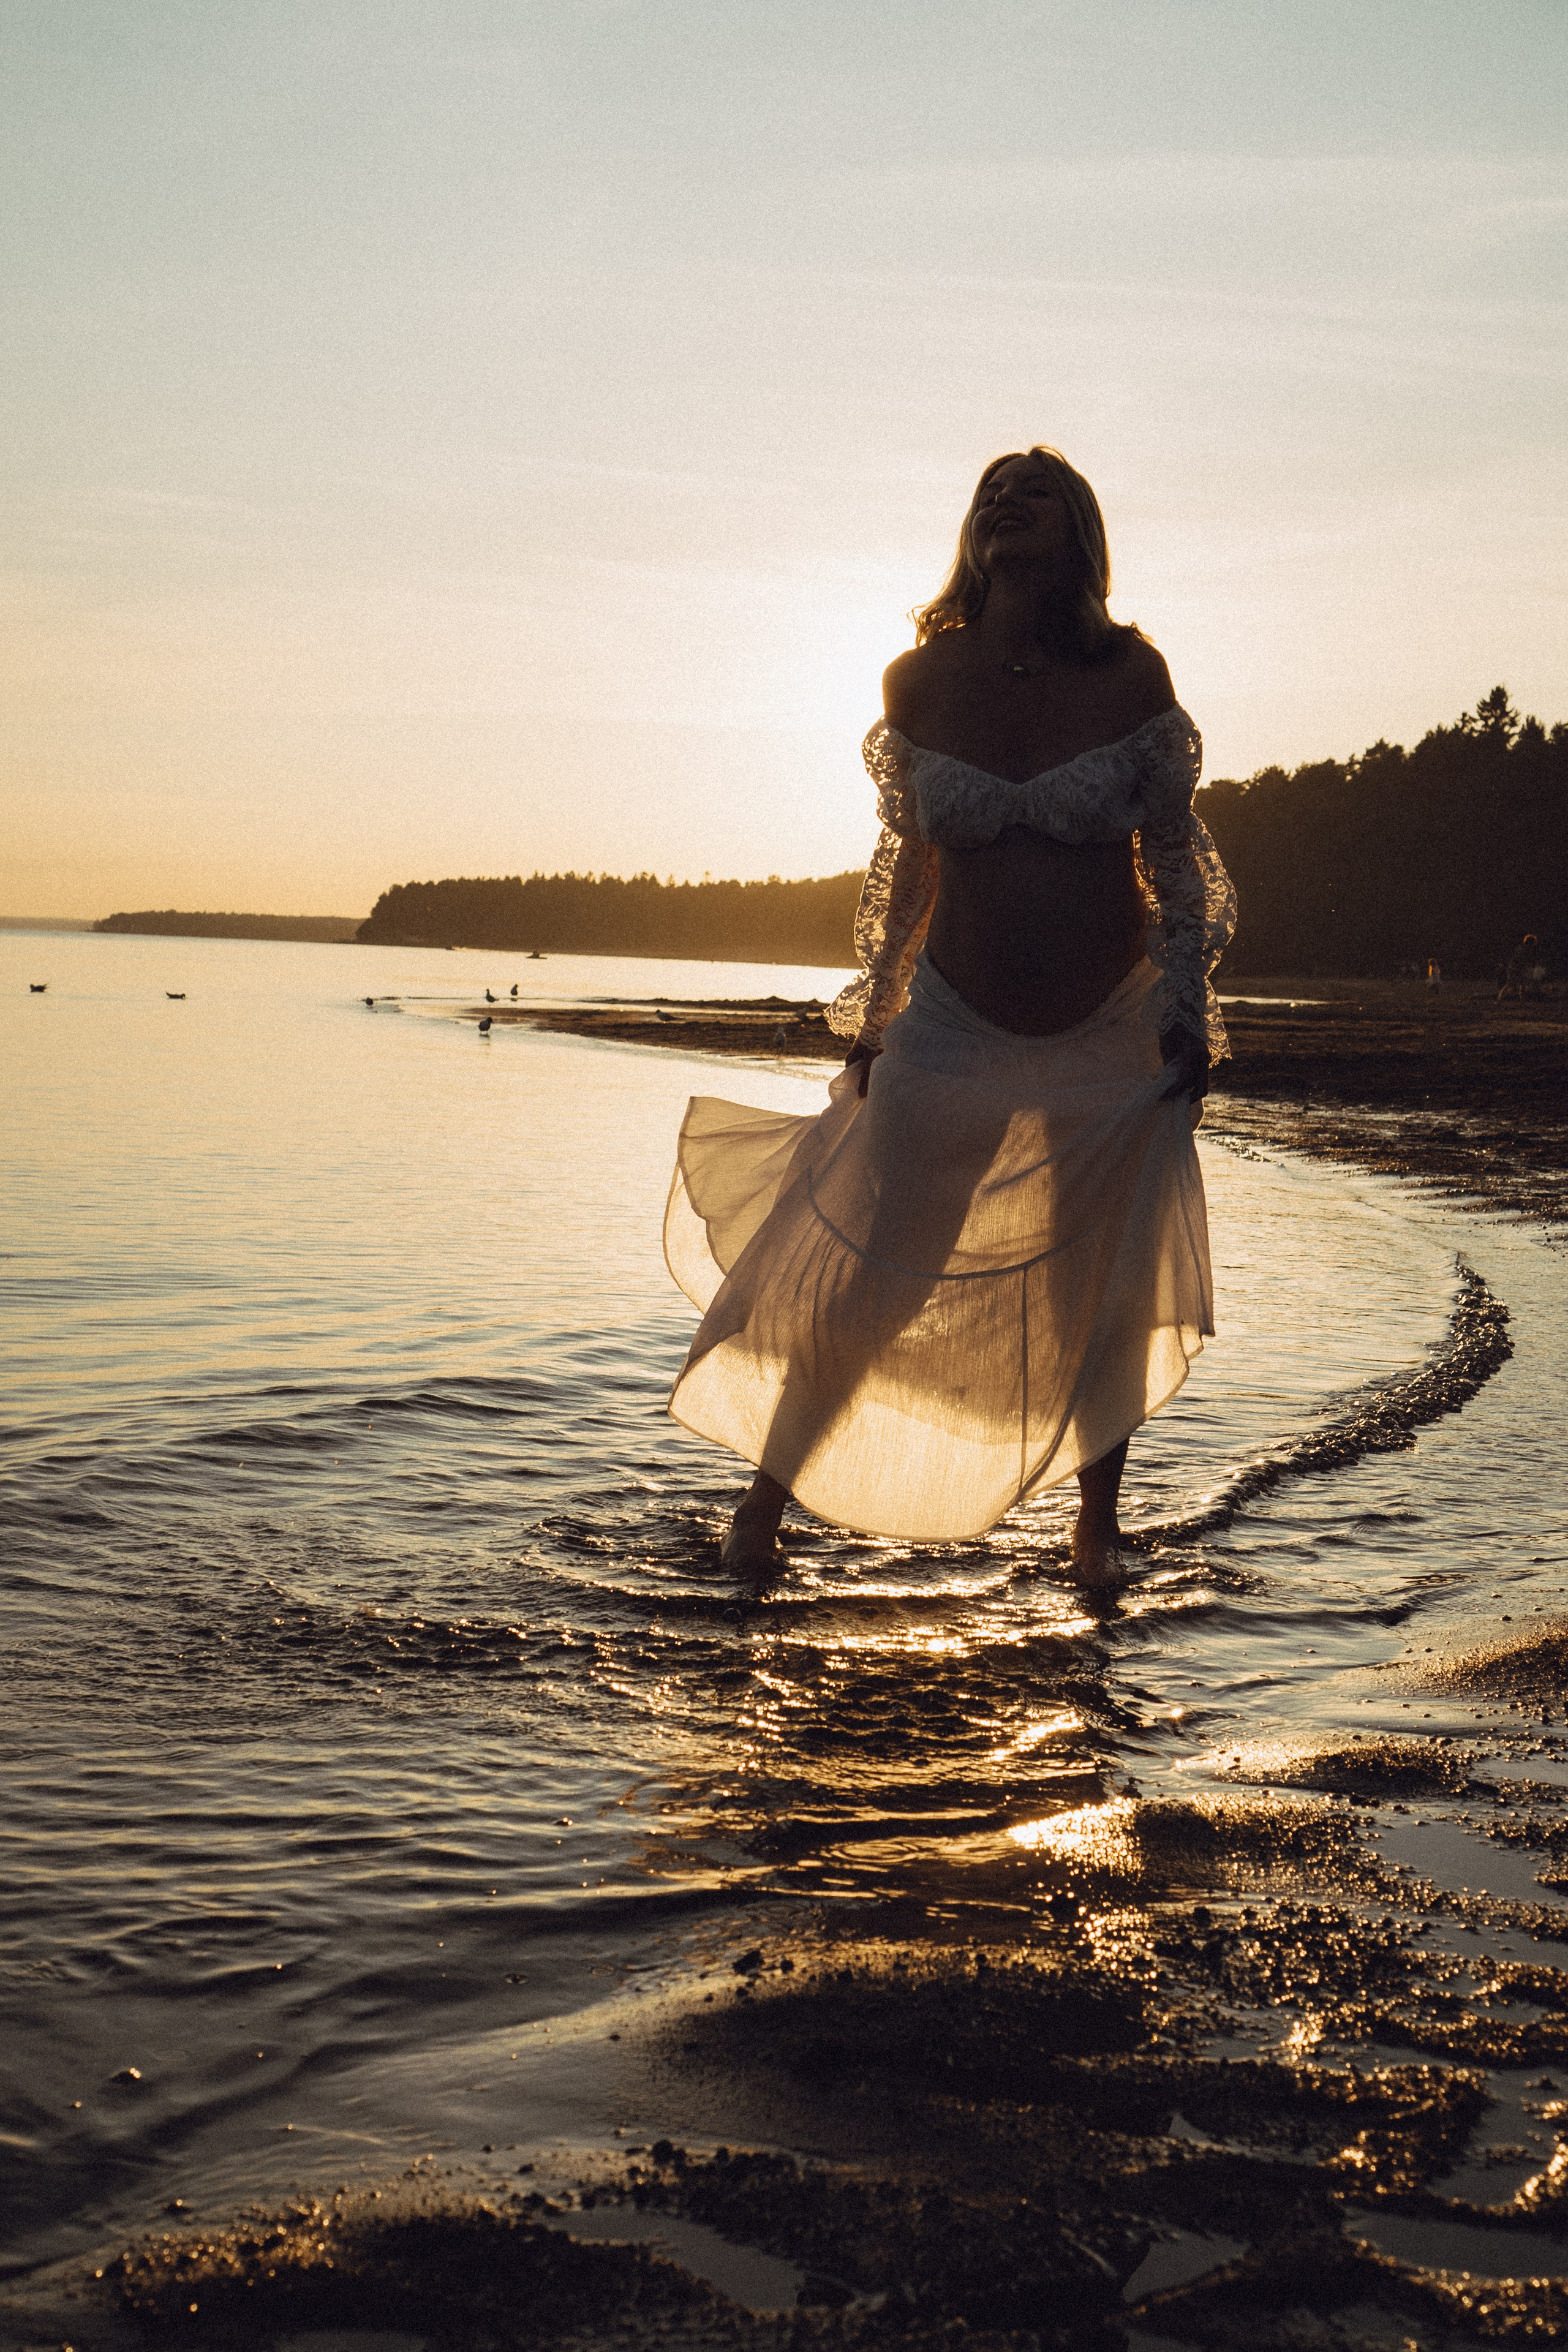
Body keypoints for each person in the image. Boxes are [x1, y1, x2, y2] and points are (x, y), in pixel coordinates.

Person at [663, 446, 1235, 1586]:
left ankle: (1094, 1532)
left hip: (1108, 1032)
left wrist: (1187, 1015)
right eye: (990, 495)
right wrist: (875, 1017)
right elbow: (907, 874)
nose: (1007, 505)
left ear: (1077, 531)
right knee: (879, 1270)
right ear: (971, 538)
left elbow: (1175, 866)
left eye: (1034, 493)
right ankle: (758, 1521)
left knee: (1103, 1288)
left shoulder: (1132, 676)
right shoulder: (918, 683)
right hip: (950, 1019)